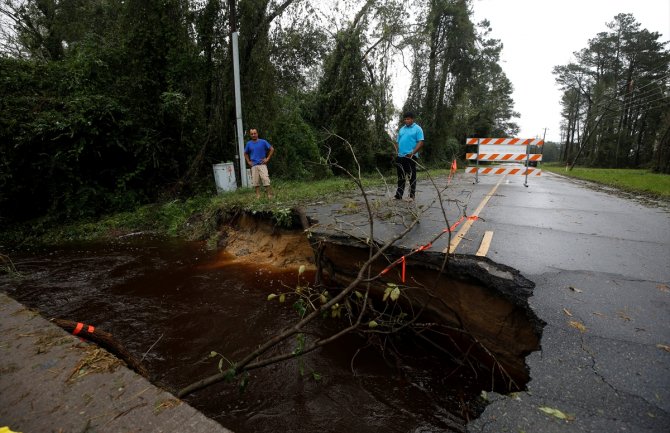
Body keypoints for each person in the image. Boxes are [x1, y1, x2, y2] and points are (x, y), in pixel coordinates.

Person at [394, 112, 424, 201]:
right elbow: (397, 141)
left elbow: (421, 142)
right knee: (400, 176)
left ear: (412, 119)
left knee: (411, 176)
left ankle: (411, 196)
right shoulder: (402, 129)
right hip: (400, 156)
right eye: (405, 119)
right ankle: (398, 195)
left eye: (408, 119)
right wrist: (397, 151)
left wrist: (413, 153)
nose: (406, 120)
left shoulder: (417, 129)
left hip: (411, 156)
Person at [244, 128, 275, 199]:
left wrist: (267, 158)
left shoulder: (263, 142)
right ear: (250, 135)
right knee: (255, 181)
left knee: (265, 179)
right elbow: (245, 153)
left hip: (262, 164)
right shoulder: (249, 144)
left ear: (257, 133)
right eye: (252, 134)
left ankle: (269, 195)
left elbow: (272, 149)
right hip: (254, 165)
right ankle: (258, 196)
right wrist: (248, 161)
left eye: (255, 133)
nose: (253, 135)